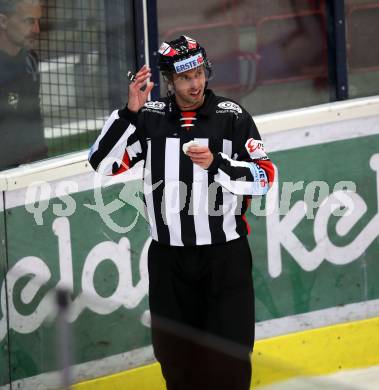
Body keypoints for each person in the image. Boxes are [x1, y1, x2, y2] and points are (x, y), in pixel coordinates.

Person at [89, 35, 275, 390]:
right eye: (186, 78)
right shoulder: (149, 119)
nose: (196, 83)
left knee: (230, 361)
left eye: (200, 73)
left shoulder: (231, 118)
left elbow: (264, 178)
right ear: (170, 82)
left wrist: (218, 164)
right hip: (169, 262)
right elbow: (103, 162)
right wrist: (129, 113)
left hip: (225, 259)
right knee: (177, 361)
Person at [0, 0, 46, 170]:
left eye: (38, 21)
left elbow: (33, 116)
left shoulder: (30, 61)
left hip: (30, 172)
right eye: (29, 21)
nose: (37, 30)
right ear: (3, 22)